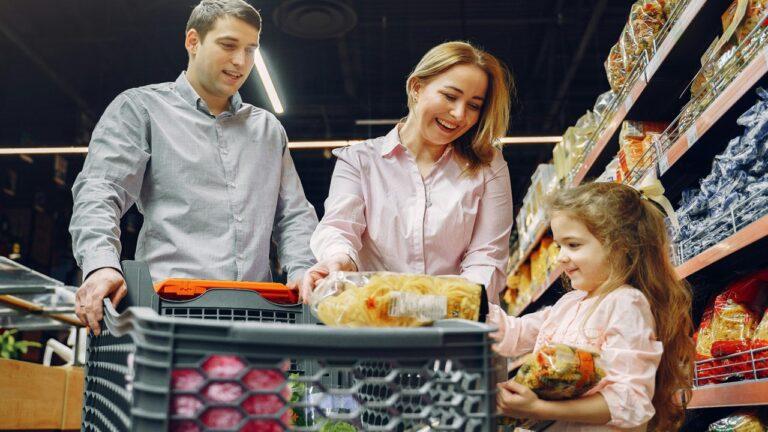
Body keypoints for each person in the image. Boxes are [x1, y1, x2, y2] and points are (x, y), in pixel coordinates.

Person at [69, 0, 318, 335]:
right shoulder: (141, 109)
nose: (240, 61)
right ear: (193, 41)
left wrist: (302, 270)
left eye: (250, 50)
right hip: (168, 318)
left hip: (257, 320)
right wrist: (100, 265)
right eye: (228, 45)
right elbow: (101, 190)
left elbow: (294, 215)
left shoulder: (268, 130)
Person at [300, 41, 514, 304]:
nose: (459, 114)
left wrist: (449, 306)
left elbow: (488, 255)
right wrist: (338, 260)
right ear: (416, 87)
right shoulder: (360, 161)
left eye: (474, 105)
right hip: (374, 319)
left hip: (454, 326)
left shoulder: (488, 165)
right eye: (450, 96)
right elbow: (340, 228)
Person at [489, 182, 694, 431]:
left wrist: (538, 409)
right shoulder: (570, 303)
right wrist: (460, 303)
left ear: (621, 245)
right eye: (558, 246)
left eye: (573, 245)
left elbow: (629, 401)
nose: (561, 257)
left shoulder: (625, 303)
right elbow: (515, 334)